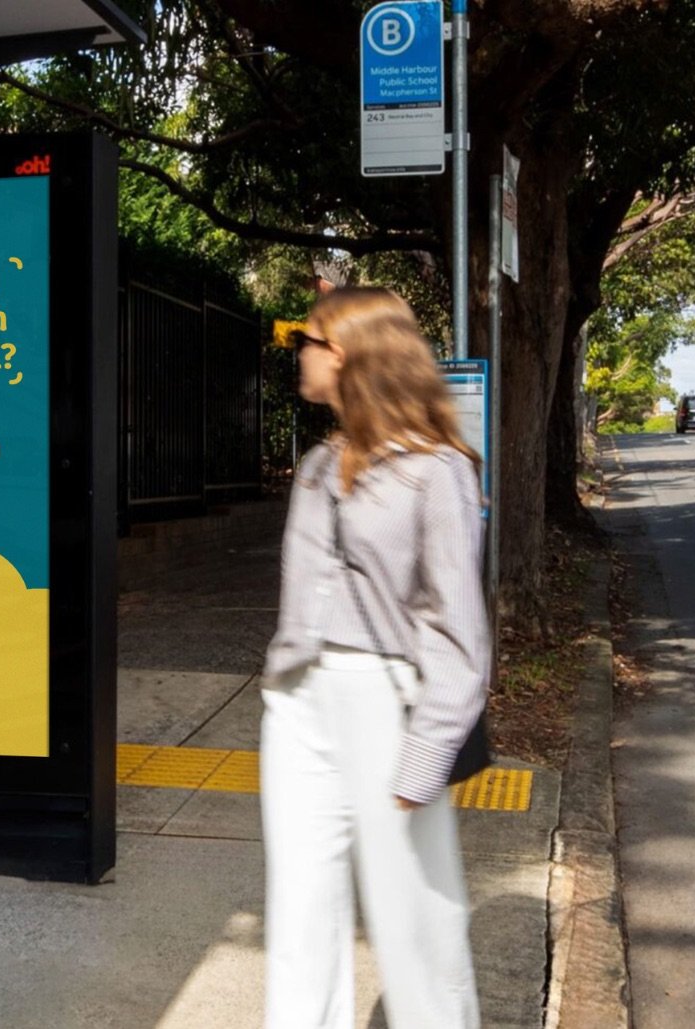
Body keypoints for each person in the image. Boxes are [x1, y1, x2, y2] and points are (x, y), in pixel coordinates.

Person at [261, 286, 488, 1029]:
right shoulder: (319, 464)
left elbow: (456, 629)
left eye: (310, 340)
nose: (298, 351)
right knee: (296, 907)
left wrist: (426, 752)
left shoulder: (435, 470)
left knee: (412, 914)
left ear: (348, 353)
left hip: (386, 700)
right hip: (298, 699)